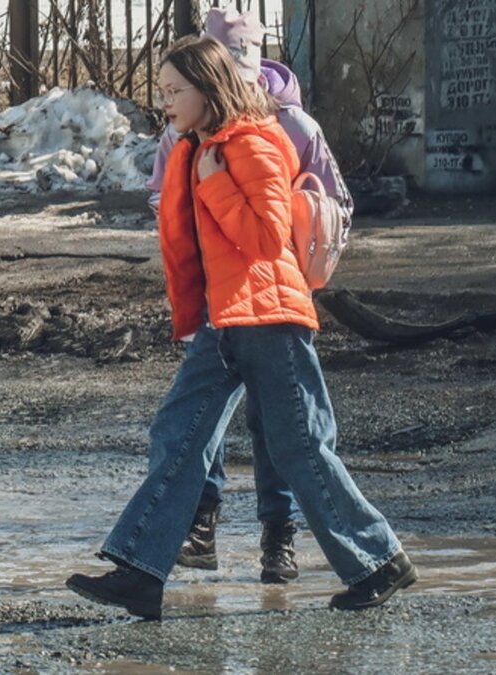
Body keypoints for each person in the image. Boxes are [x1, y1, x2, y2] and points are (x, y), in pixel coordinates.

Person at [65, 36, 415, 620]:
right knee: (177, 435)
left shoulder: (253, 142)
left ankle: (378, 561)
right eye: (162, 90)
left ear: (209, 88)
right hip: (222, 322)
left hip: (270, 318)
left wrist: (216, 181)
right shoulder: (197, 148)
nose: (165, 101)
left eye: (175, 90)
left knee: (301, 449)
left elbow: (264, 240)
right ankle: (141, 571)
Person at [146, 8, 354, 584]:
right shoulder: (183, 133)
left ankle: (283, 540)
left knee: (280, 433)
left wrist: (305, 269)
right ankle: (191, 533)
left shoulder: (283, 129)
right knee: (192, 427)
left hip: (267, 304)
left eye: (241, 58)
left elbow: (313, 216)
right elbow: (167, 207)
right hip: (218, 306)